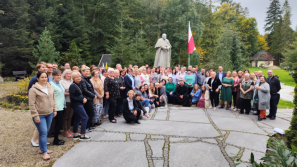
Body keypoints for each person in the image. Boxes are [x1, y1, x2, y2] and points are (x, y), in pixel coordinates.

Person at [29, 71, 57, 160]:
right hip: (40, 115)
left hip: (49, 113)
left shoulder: (49, 86)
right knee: (43, 133)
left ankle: (42, 149)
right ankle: (44, 152)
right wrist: (35, 116)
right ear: (37, 78)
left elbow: (53, 98)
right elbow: (31, 104)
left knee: (45, 132)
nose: (44, 79)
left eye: (45, 77)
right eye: (42, 77)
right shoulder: (33, 89)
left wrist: (54, 110)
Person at [69, 71, 92, 141]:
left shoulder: (79, 84)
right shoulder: (72, 86)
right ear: (73, 78)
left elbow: (79, 94)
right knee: (85, 118)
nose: (79, 78)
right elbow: (72, 97)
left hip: (80, 103)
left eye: (79, 76)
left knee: (77, 119)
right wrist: (81, 100)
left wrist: (83, 98)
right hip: (77, 104)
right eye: (77, 77)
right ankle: (82, 135)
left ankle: (75, 134)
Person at [50, 70, 66, 145]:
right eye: (57, 75)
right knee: (58, 123)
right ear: (53, 76)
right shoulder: (51, 84)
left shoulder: (59, 83)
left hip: (62, 105)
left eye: (60, 75)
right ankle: (55, 140)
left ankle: (57, 138)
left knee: (59, 124)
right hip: (57, 107)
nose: (59, 77)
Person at [81, 66, 97, 132]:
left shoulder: (87, 78)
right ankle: (86, 127)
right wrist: (93, 95)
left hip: (90, 98)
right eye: (86, 71)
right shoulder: (82, 80)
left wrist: (94, 94)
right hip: (87, 99)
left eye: (88, 71)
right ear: (82, 72)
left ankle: (88, 126)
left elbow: (91, 88)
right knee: (90, 113)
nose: (88, 72)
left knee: (90, 113)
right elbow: (85, 90)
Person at [60, 69, 74, 138]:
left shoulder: (72, 81)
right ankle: (65, 131)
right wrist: (71, 93)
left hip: (72, 100)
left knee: (70, 116)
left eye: (70, 74)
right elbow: (62, 92)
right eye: (67, 74)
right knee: (65, 116)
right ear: (64, 74)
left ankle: (69, 129)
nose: (69, 75)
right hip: (66, 101)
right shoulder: (61, 82)